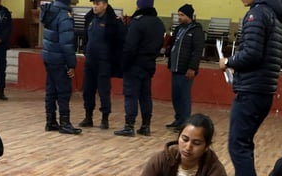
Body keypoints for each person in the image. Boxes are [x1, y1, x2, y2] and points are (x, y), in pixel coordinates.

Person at [218, 0, 282, 176]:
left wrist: (228, 61)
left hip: (252, 90)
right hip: (262, 90)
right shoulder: (273, 14)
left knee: (238, 145)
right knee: (242, 144)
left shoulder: (256, 14)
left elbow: (252, 54)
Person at [113, 0, 166, 137]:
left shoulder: (137, 23)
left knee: (131, 95)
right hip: (149, 64)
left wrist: (123, 64)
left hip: (134, 65)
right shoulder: (159, 24)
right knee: (145, 96)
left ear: (139, 5)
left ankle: (129, 126)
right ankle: (145, 125)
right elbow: (161, 45)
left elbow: (129, 47)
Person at [78, 0, 124, 130]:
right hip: (90, 61)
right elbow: (85, 37)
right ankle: (88, 117)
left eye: (97, 4)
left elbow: (121, 42)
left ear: (105, 5)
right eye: (93, 4)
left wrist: (114, 58)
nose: (94, 6)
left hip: (104, 62)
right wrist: (85, 49)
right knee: (87, 90)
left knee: (104, 91)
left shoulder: (114, 21)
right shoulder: (90, 18)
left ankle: (105, 118)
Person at [40, 0, 81, 134]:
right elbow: (66, 44)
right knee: (64, 91)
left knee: (51, 90)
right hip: (59, 58)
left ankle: (50, 120)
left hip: (48, 55)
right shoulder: (64, 15)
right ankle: (65, 122)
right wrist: (71, 64)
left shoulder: (50, 10)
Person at [166, 4, 204, 133]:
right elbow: (173, 46)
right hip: (175, 68)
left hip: (186, 69)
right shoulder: (179, 29)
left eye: (181, 15)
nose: (179, 17)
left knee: (184, 96)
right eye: (178, 15)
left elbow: (197, 51)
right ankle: (178, 119)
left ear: (189, 16)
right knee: (175, 96)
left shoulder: (196, 30)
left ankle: (185, 122)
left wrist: (192, 68)